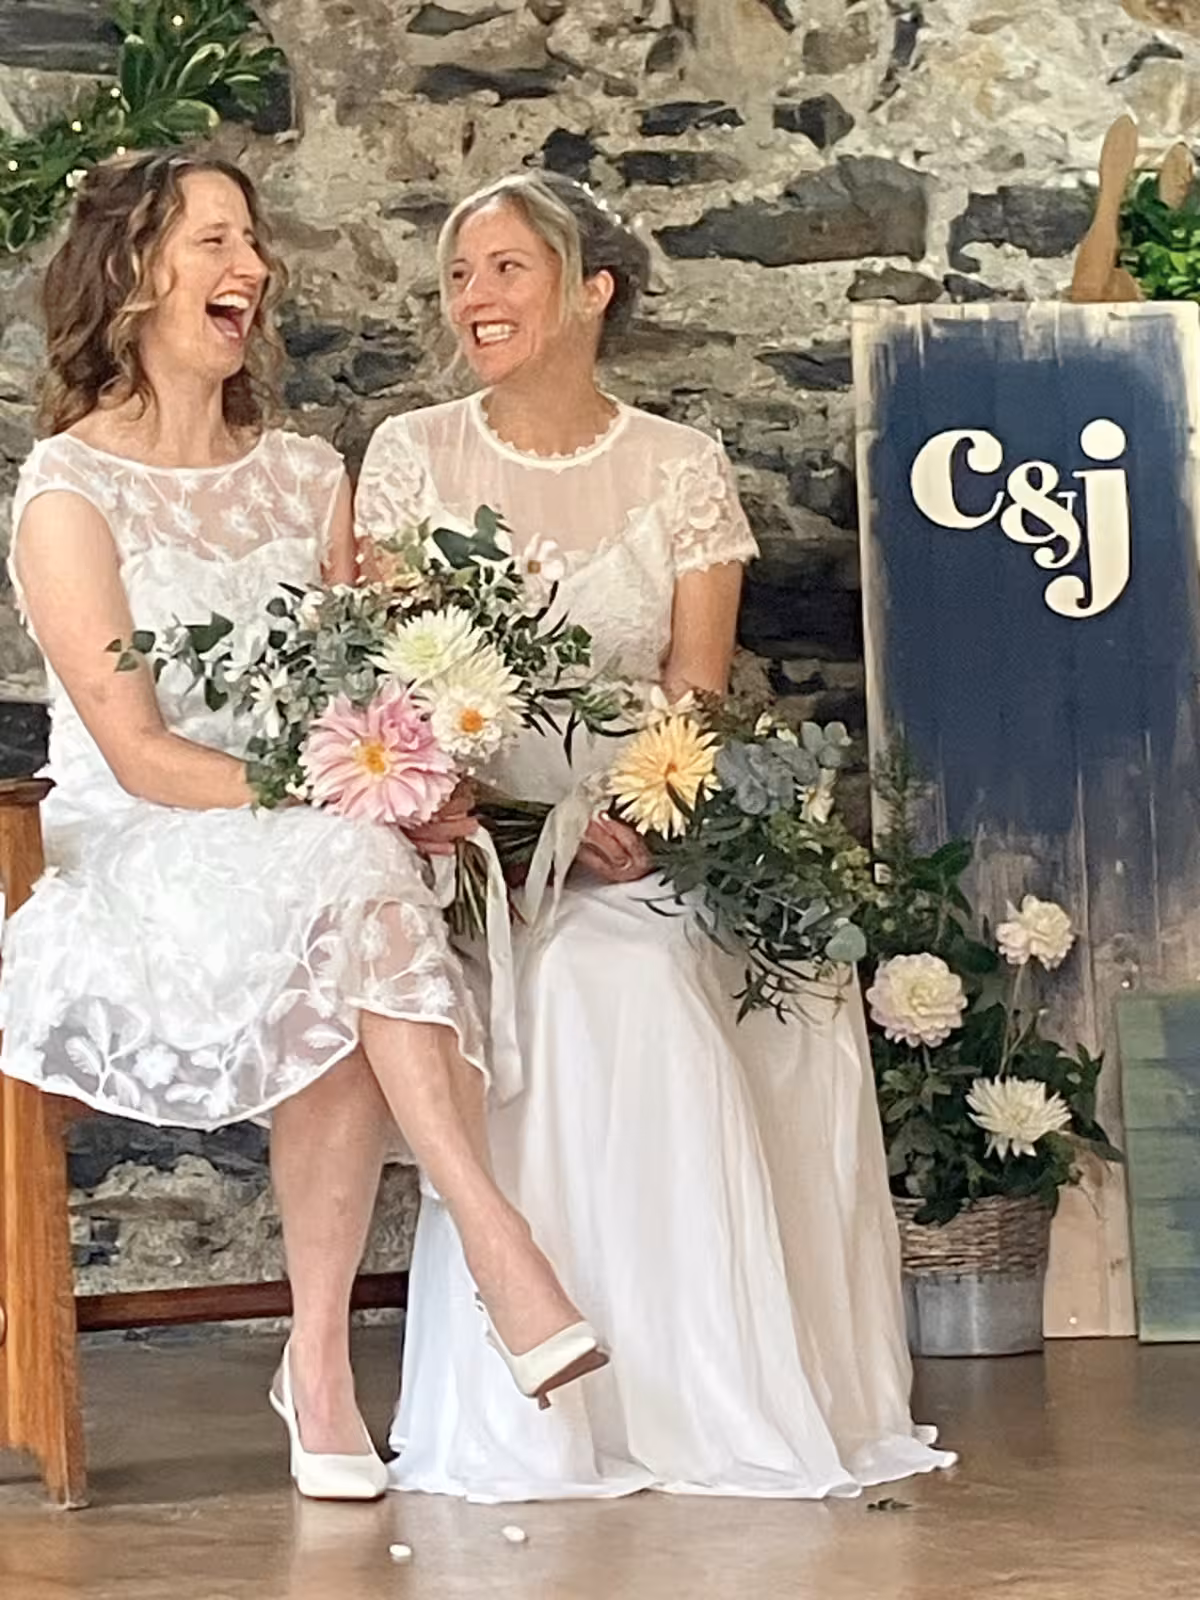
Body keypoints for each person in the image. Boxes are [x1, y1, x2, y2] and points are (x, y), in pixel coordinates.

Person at [0, 152, 604, 1503]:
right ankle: (488, 1246)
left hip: (312, 844)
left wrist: (415, 769)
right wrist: (344, 793)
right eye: (216, 240)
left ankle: (324, 1360)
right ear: (136, 271)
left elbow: (361, 692)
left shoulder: (305, 475)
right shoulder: (64, 494)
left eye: (253, 242)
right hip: (141, 854)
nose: (252, 268)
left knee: (351, 887)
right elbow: (145, 756)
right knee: (349, 876)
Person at [355, 171, 957, 1501]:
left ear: (591, 291)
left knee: (760, 977)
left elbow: (696, 688)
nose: (475, 299)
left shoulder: (681, 468)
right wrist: (516, 833)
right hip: (478, 837)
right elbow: (392, 686)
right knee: (593, 981)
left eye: (506, 270)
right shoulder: (411, 455)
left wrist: (635, 818)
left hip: (653, 825)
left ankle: (725, 1389)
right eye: (461, 275)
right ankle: (571, 1396)